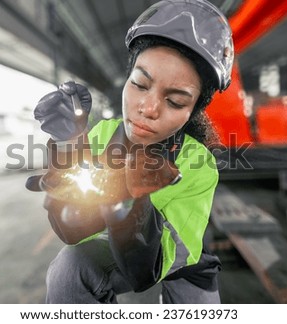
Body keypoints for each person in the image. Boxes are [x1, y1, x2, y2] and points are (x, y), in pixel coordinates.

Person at [26, 0, 234, 304]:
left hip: (183, 266)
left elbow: (148, 269)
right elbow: (72, 230)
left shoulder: (198, 164)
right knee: (69, 271)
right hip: (112, 244)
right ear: (127, 80)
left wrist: (129, 198)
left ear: (192, 112)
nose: (148, 109)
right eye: (139, 84)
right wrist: (68, 144)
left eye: (175, 101)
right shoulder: (103, 136)